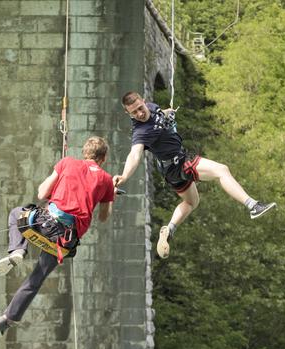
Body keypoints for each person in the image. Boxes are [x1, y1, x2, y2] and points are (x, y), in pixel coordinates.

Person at [113, 91, 276, 259]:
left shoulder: (153, 108)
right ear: (128, 114)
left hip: (170, 170)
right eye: (134, 112)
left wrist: (167, 113)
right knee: (222, 170)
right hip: (179, 164)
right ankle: (253, 206)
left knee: (192, 202)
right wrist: (124, 176)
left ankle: (169, 229)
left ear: (144, 101)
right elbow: (134, 155)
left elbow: (159, 115)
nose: (140, 113)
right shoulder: (140, 132)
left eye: (140, 108)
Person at [0, 136, 116, 337]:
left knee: (16, 214)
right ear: (104, 158)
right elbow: (103, 217)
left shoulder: (67, 163)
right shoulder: (107, 180)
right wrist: (111, 194)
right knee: (37, 277)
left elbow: (41, 193)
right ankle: (7, 320)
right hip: (65, 240)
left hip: (45, 223)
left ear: (85, 152)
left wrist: (60, 180)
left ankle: (18, 250)